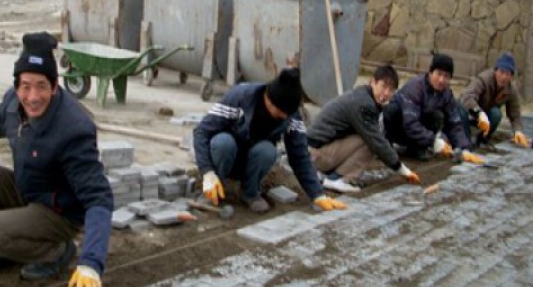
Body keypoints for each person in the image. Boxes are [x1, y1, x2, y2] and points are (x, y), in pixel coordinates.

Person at [0, 32, 113, 286]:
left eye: (42, 86)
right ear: (16, 86)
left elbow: (99, 198)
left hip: (59, 213)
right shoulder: (13, 105)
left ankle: (55, 252)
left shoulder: (73, 129)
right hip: (30, 191)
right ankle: (10, 248)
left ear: (55, 87)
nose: (33, 97)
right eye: (26, 86)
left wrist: (91, 262)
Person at [193, 68, 346, 213]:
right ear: (268, 99)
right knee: (223, 142)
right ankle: (212, 189)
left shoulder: (291, 115)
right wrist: (207, 173)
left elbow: (299, 156)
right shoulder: (240, 97)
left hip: (252, 163)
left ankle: (250, 193)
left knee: (267, 150)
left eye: (288, 113)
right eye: (280, 112)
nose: (284, 117)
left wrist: (317, 194)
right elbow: (201, 132)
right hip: (225, 157)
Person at [308, 66, 421, 193]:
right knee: (371, 142)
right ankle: (339, 179)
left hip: (317, 151)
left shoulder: (363, 95)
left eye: (391, 90)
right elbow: (377, 141)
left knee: (370, 137)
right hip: (314, 155)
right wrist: (401, 169)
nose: (386, 93)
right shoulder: (364, 104)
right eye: (383, 86)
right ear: (372, 82)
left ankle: (331, 174)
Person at [384, 53, 484, 164]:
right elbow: (410, 123)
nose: (441, 80)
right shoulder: (415, 87)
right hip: (400, 126)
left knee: (437, 117)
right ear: (431, 72)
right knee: (391, 110)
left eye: (446, 76)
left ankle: (415, 149)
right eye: (439, 74)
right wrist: (433, 141)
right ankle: (385, 145)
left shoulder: (446, 94)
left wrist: (464, 148)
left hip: (419, 130)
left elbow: (454, 123)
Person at [459, 52, 530, 148]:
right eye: (502, 72)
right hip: (469, 111)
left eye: (508, 74)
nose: (504, 77)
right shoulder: (483, 79)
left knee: (496, 114)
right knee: (460, 109)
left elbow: (515, 115)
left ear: (511, 76)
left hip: (485, 116)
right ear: (496, 71)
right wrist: (479, 112)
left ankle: (482, 140)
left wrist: (518, 131)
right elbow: (468, 97)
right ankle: (464, 140)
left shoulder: (511, 90)